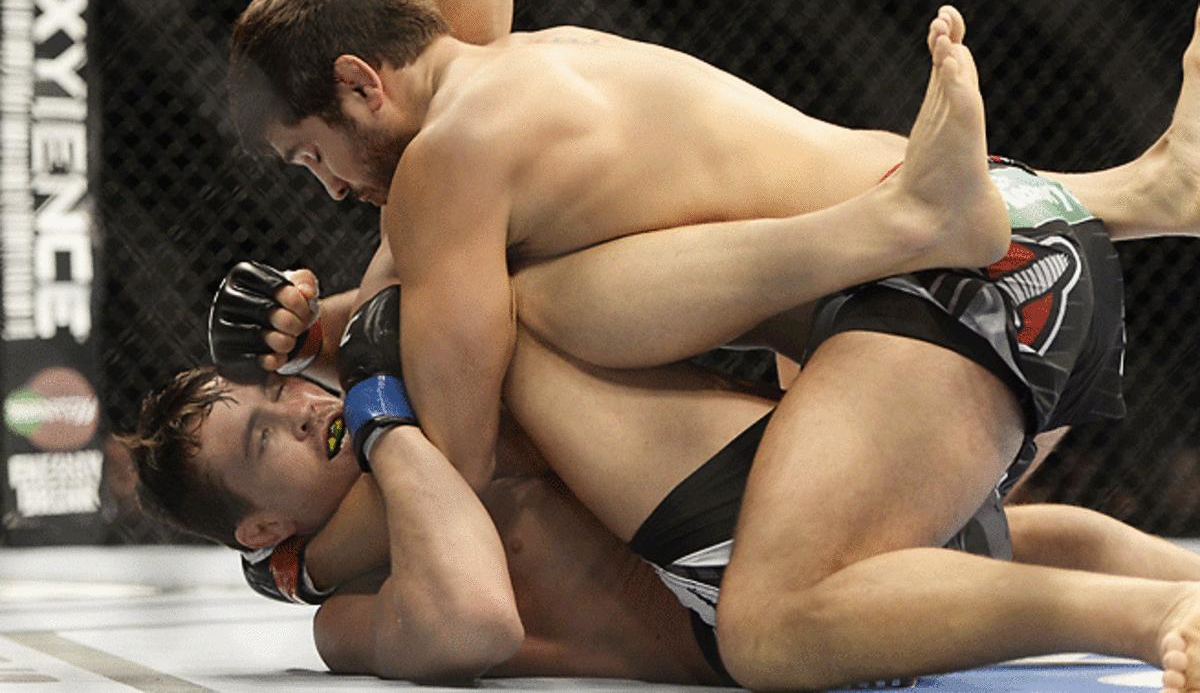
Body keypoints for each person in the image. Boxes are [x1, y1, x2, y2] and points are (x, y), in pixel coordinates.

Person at [226, 0, 1200, 689]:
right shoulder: (528, 72)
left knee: (768, 623)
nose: (336, 190)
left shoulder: (443, 171)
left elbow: (459, 450)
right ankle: (1141, 188)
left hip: (939, 294)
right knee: (554, 296)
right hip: (1015, 243)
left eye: (314, 156)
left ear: (362, 83)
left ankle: (1159, 613)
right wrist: (333, 327)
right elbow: (454, 23)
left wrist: (310, 548)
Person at [127, 284, 1200, 686]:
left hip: (792, 508)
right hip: (743, 601)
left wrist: (337, 327)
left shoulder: (417, 421)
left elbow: (439, 284)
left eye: (288, 393)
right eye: (267, 436)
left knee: (1041, 530)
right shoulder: (342, 598)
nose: (306, 409)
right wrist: (376, 411)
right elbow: (471, 619)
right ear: (261, 522)